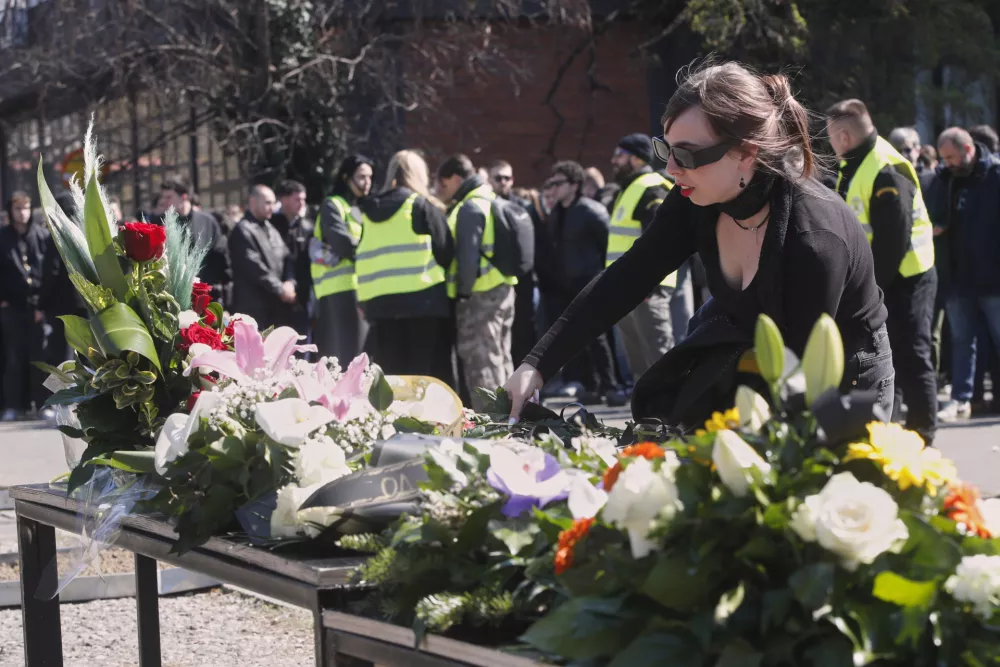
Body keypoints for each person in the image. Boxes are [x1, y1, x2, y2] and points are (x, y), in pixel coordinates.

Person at [504, 62, 894, 424]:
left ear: (746, 154)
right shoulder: (695, 195)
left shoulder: (813, 237)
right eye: (666, 150)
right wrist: (536, 365)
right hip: (752, 355)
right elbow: (626, 278)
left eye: (687, 154)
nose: (671, 169)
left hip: (844, 378)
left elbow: (803, 379)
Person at [826, 100, 938, 444]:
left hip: (905, 278)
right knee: (885, 358)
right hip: (880, 280)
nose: (830, 143)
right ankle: (891, 431)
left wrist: (869, 289)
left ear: (844, 136)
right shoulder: (856, 163)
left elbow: (894, 241)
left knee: (912, 356)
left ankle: (922, 437)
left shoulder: (886, 168)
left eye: (831, 136)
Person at [356, 150, 456, 388]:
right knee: (426, 378)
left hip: (381, 307)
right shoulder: (422, 206)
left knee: (392, 377)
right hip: (424, 304)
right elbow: (446, 252)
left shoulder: (368, 212)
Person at [925, 128, 1000, 420]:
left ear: (968, 149)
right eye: (944, 158)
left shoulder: (994, 176)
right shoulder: (945, 179)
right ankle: (961, 398)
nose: (947, 163)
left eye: (951, 157)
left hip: (992, 276)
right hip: (957, 276)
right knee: (961, 341)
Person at [437, 155, 517, 412]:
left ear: (457, 178)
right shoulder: (489, 198)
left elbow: (467, 258)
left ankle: (492, 424)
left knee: (482, 364)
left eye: (444, 184)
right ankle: (511, 417)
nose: (442, 191)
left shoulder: (470, 206)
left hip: (479, 296)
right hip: (502, 290)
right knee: (501, 359)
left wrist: (462, 292)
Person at [537, 160, 619, 405]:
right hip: (568, 284)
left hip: (591, 281)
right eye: (552, 183)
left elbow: (609, 246)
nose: (554, 188)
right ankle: (591, 386)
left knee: (598, 338)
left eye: (559, 183)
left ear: (574, 185)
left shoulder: (590, 210)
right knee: (578, 338)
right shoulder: (558, 213)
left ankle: (611, 386)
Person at [607, 133, 677, 399]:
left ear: (636, 158)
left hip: (647, 289)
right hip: (626, 288)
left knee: (659, 355)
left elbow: (659, 242)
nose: (614, 161)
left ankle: (674, 412)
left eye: (619, 155)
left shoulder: (651, 187)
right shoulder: (629, 187)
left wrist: (648, 281)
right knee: (639, 361)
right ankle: (648, 412)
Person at [311, 155, 373, 363]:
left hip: (359, 288)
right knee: (348, 357)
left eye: (370, 177)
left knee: (360, 356)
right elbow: (344, 244)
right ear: (347, 178)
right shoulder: (333, 205)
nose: (367, 183)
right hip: (338, 289)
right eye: (361, 177)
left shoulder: (358, 209)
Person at [0, 192, 52, 420]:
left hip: (39, 307)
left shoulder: (41, 236)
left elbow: (50, 272)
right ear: (10, 211)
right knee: (13, 357)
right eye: (18, 208)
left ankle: (43, 404)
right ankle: (14, 405)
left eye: (26, 208)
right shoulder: (3, 237)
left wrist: (43, 305)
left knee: (40, 358)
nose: (22, 213)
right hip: (11, 306)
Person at [489, 161, 538, 368]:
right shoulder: (487, 206)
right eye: (498, 178)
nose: (503, 182)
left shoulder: (523, 207)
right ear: (490, 180)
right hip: (496, 277)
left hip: (524, 278)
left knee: (523, 331)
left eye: (507, 178)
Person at [228, 185, 297, 329]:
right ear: (253, 201)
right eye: (267, 203)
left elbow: (286, 257)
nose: (272, 207)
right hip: (254, 309)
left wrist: (290, 281)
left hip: (275, 306)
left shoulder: (271, 228)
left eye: (273, 203)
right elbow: (255, 267)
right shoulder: (242, 230)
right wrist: (281, 289)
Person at [158, 176, 231, 306]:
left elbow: (221, 257)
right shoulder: (160, 223)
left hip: (204, 295)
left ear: (184, 197)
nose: (164, 201)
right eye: (163, 197)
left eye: (169, 197)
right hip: (170, 297)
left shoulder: (207, 222)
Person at [270, 180, 313, 333]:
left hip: (301, 295)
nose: (302, 204)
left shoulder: (306, 227)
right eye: (297, 199)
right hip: (277, 295)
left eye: (303, 199)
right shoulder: (270, 226)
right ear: (284, 199)